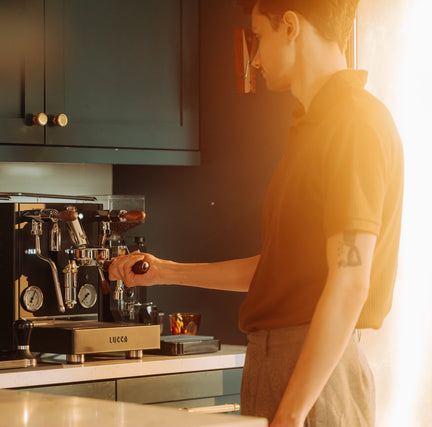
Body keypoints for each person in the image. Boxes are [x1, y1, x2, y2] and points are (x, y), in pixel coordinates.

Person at [108, 0, 403, 426]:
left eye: (258, 37)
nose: (257, 58)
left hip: (311, 372)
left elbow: (351, 280)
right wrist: (167, 271)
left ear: (290, 27)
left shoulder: (352, 124)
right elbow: (281, 269)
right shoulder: (314, 128)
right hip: (281, 362)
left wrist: (293, 411)